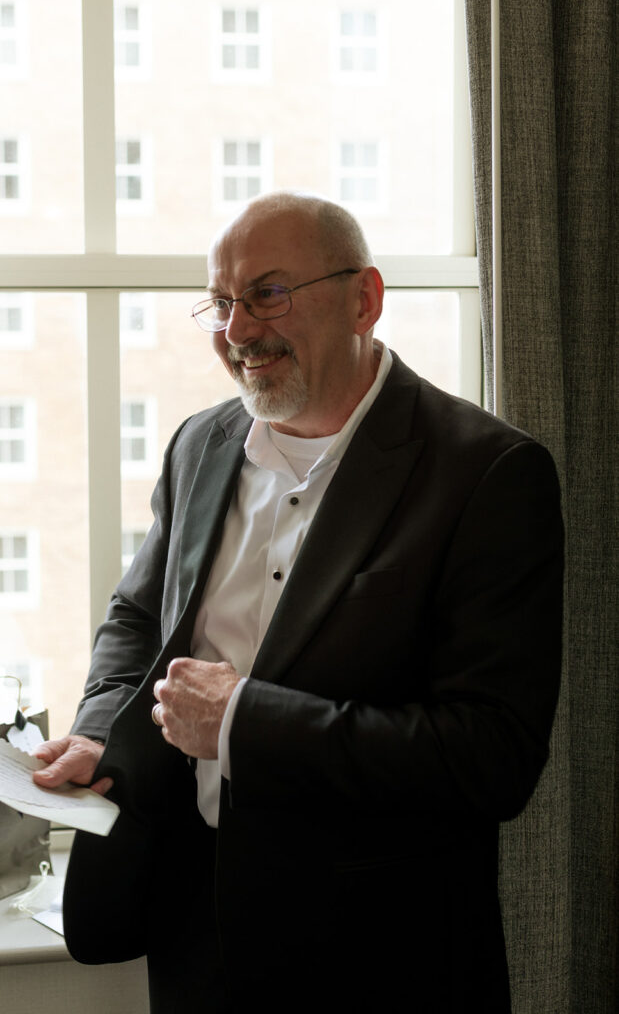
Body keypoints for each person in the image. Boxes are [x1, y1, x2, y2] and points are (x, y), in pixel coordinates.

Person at [33, 191, 564, 1013]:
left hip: (378, 957)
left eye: (268, 294)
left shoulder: (488, 476)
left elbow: (489, 757)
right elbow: (138, 618)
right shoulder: (198, 443)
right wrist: (104, 728)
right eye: (222, 301)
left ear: (364, 298)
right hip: (191, 933)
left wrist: (243, 720)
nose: (239, 331)